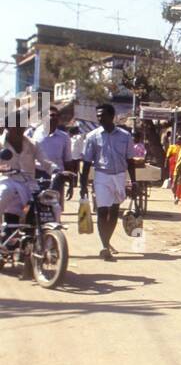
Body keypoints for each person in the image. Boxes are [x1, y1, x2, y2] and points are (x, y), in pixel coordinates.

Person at [79, 103, 136, 260]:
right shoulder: (92, 137)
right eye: (97, 115)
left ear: (112, 116)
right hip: (102, 176)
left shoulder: (125, 136)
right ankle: (105, 246)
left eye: (102, 115)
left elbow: (130, 160)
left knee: (114, 211)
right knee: (102, 211)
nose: (99, 118)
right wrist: (83, 184)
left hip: (119, 176)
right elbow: (87, 162)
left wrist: (134, 182)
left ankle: (107, 241)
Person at [0, 114, 59, 220]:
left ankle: (47, 233)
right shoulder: (1, 144)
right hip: (7, 181)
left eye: (22, 125)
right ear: (7, 127)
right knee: (3, 194)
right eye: (16, 125)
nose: (20, 128)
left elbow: (45, 162)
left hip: (30, 184)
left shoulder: (32, 144)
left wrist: (56, 170)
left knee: (53, 205)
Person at [31, 105, 76, 212]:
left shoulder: (64, 137)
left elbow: (67, 160)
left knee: (55, 208)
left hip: (57, 177)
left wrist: (70, 183)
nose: (54, 118)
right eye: (51, 115)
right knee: (36, 208)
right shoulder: (33, 134)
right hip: (37, 175)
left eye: (57, 116)